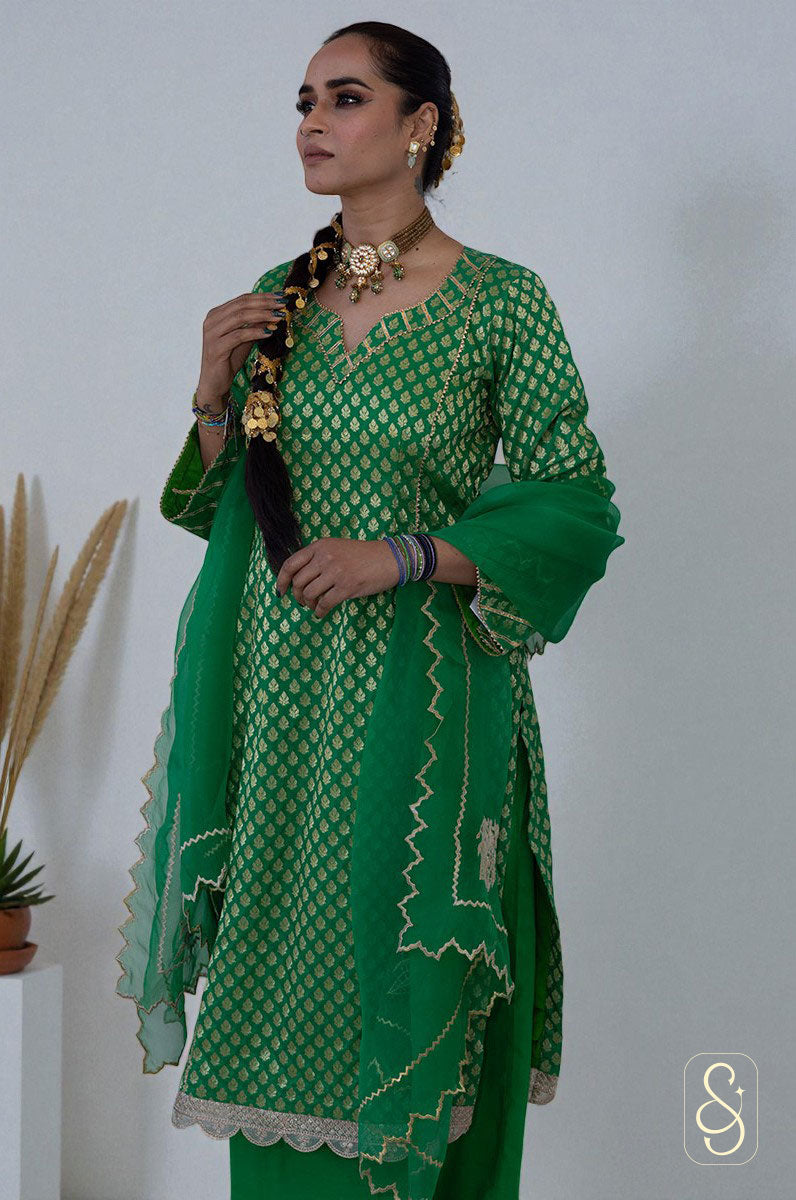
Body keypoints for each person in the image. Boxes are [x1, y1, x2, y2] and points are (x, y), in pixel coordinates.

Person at [116, 19, 624, 1200]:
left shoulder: (503, 303)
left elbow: (576, 504)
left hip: (425, 696)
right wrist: (206, 394)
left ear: (421, 126)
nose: (311, 122)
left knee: (403, 955)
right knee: (284, 965)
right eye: (303, 100)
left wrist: (401, 555)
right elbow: (218, 512)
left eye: (345, 99)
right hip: (282, 695)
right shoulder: (272, 300)